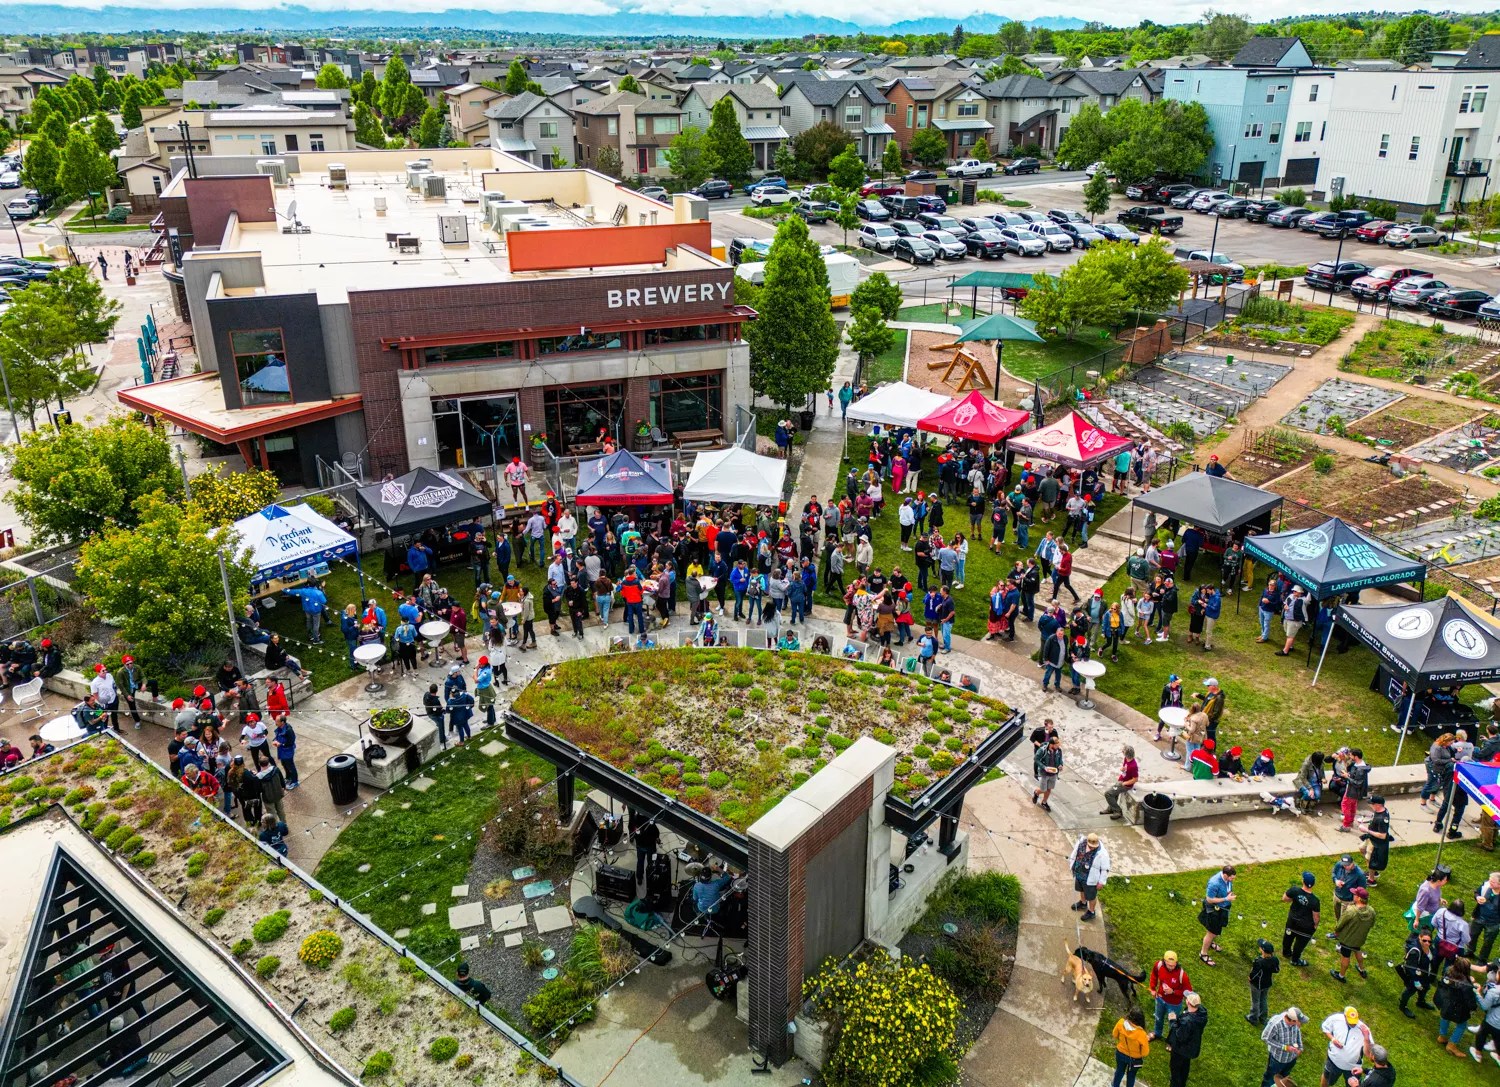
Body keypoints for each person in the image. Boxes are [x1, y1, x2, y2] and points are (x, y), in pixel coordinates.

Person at [1330, 886, 1375, 983]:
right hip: (1360, 939)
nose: (1353, 895)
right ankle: (1362, 969)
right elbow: (1372, 924)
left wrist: (1336, 932)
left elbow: (1340, 924)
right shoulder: (1371, 911)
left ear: (1359, 898)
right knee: (1357, 950)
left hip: (1347, 939)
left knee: (1345, 956)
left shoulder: (1351, 911)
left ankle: (1341, 976)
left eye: (1354, 894)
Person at [1435, 957, 1479, 1057]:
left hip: (1446, 1002)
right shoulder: (1465, 985)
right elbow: (1470, 1000)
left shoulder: (1448, 972)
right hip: (1458, 1008)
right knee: (1462, 1025)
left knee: (1444, 1017)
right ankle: (1452, 1044)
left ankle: (1442, 1036)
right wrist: (1473, 1006)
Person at [1318, 1005, 1371, 1087]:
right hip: (1333, 1060)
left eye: (1354, 1021)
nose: (1353, 1023)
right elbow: (1325, 1028)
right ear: (1344, 1017)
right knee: (1327, 1078)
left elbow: (1369, 1053)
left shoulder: (1364, 1029)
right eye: (1350, 1021)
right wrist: (1332, 1039)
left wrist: (1366, 1038)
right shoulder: (1335, 1019)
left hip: (1353, 1067)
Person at [1148, 950, 1192, 1040]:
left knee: (1173, 1023)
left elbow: (1188, 992)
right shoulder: (1159, 965)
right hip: (1160, 999)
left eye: (1173, 965)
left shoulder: (1182, 975)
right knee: (1158, 1018)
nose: (1171, 967)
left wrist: (1173, 991)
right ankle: (1157, 1033)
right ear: (1164, 961)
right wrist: (1152, 988)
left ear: (1176, 963)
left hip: (1174, 1004)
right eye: (1169, 965)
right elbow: (1154, 974)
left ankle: (1171, 1040)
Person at [1167, 991, 1207, 1087]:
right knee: (1185, 1068)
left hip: (1180, 1050)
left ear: (1188, 1003)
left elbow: (1180, 1036)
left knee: (1176, 1070)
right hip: (1190, 1048)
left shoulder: (1187, 1021)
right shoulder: (1201, 1014)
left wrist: (1172, 1020)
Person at [1261, 1007, 1308, 1087]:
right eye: (1299, 1022)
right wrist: (1285, 1047)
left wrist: (1300, 1048)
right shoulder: (1276, 1024)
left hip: (1291, 1059)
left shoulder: (1295, 1024)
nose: (1300, 1024)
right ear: (1292, 1021)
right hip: (1278, 1060)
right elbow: (1265, 1037)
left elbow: (1297, 1033)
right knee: (1270, 1079)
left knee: (1283, 1079)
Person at [1068, 831, 1109, 922]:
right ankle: (1083, 903)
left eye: (1093, 846)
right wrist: (1072, 865)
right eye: (1090, 846)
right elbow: (1075, 853)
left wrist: (1101, 882)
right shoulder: (1081, 843)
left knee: (1091, 896)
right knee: (1081, 890)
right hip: (1079, 873)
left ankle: (1091, 912)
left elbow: (1105, 869)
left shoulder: (1103, 853)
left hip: (1091, 878)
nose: (1091, 848)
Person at [1199, 864, 1235, 967]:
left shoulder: (1228, 880)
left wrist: (1228, 896)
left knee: (1215, 931)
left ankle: (1210, 942)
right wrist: (1226, 899)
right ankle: (1203, 953)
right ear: (1225, 875)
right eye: (1231, 878)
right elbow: (1209, 899)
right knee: (1211, 932)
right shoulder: (1214, 883)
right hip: (1214, 910)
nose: (1232, 880)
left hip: (1223, 908)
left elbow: (1228, 889)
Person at [1282, 871, 1321, 967]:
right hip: (1305, 927)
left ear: (1303, 881)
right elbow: (1316, 916)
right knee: (1300, 944)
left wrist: (1294, 899)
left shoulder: (1295, 890)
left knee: (1288, 938)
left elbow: (1284, 899)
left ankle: (1286, 952)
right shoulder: (1315, 901)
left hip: (1292, 922)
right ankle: (1295, 960)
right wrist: (1315, 925)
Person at [1396, 927, 1437, 1017]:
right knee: (1410, 990)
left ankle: (1420, 1002)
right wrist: (1416, 981)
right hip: (1415, 976)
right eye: (1425, 940)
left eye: (1429, 941)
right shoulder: (1415, 951)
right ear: (1419, 937)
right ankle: (1402, 1006)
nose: (1427, 943)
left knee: (1425, 988)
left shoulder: (1430, 947)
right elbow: (1411, 968)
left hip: (1425, 974)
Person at [1111, 1006, 1150, 1087]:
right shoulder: (1142, 1034)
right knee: (1131, 1076)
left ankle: (1115, 1085)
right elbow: (1145, 1053)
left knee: (1119, 1071)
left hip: (1120, 1053)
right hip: (1135, 1059)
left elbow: (1114, 1035)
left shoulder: (1121, 1023)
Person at [1100, 745, 1139, 821]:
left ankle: (1117, 811)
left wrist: (1124, 783)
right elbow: (1125, 768)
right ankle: (1110, 808)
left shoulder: (1133, 766)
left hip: (1126, 785)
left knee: (1108, 793)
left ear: (1127, 753)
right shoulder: (1126, 759)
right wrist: (1123, 769)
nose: (1122, 752)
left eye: (1123, 751)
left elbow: (1135, 779)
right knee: (1113, 794)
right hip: (1121, 780)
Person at [1248, 938, 1280, 1025]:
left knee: (1255, 1001)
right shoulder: (1275, 959)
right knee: (1264, 1000)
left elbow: (1254, 974)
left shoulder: (1259, 961)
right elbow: (1277, 970)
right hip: (1267, 983)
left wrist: (1250, 978)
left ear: (1262, 950)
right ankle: (1263, 1018)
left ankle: (1253, 1018)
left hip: (1257, 984)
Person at [1361, 795, 1392, 886]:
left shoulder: (1382, 819)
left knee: (1370, 860)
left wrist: (1366, 830)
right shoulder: (1379, 811)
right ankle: (1373, 871)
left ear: (1378, 805)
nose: (1370, 805)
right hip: (1370, 837)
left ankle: (1371, 880)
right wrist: (1366, 822)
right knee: (1362, 849)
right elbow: (1374, 819)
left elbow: (1382, 835)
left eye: (1372, 804)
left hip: (1376, 842)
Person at [1469, 871, 1500, 962]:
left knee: (1488, 942)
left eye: (1493, 882)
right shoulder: (1486, 886)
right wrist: (1477, 897)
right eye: (1490, 880)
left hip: (1493, 923)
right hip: (1479, 917)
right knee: (1472, 935)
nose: (1489, 883)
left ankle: (1482, 959)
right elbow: (1476, 892)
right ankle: (1469, 952)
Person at [1330, 854, 1367, 920]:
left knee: (1344, 920)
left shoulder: (1360, 874)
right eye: (1344, 865)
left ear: (1352, 863)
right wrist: (1335, 880)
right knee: (1337, 917)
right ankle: (1337, 928)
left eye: (1347, 865)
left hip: (1348, 901)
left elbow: (1362, 889)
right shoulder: (1339, 864)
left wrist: (1355, 900)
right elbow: (1333, 873)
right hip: (1336, 896)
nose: (1345, 866)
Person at [1033, 733, 1062, 812]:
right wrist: (1044, 767)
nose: (1058, 747)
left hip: (1053, 773)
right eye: (1057, 745)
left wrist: (1060, 765)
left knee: (1049, 789)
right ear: (1051, 744)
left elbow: (1060, 759)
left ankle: (1044, 802)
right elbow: (1036, 759)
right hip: (1044, 773)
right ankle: (1036, 793)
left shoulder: (1058, 750)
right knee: (1043, 789)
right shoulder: (1042, 750)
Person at [630, 808, 659, 887]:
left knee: (640, 862)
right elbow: (656, 833)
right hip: (650, 846)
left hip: (640, 846)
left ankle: (639, 878)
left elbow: (634, 832)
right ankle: (650, 877)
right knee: (651, 862)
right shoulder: (650, 822)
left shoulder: (636, 820)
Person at [273, 716, 299, 789]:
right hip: (282, 750)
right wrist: (276, 741)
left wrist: (281, 744)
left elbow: (291, 742)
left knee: (290, 766)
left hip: (288, 751)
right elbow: (278, 736)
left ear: (282, 722)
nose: (275, 723)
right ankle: (288, 778)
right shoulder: (280, 728)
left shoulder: (289, 730)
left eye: (277, 721)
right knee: (284, 764)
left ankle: (295, 782)